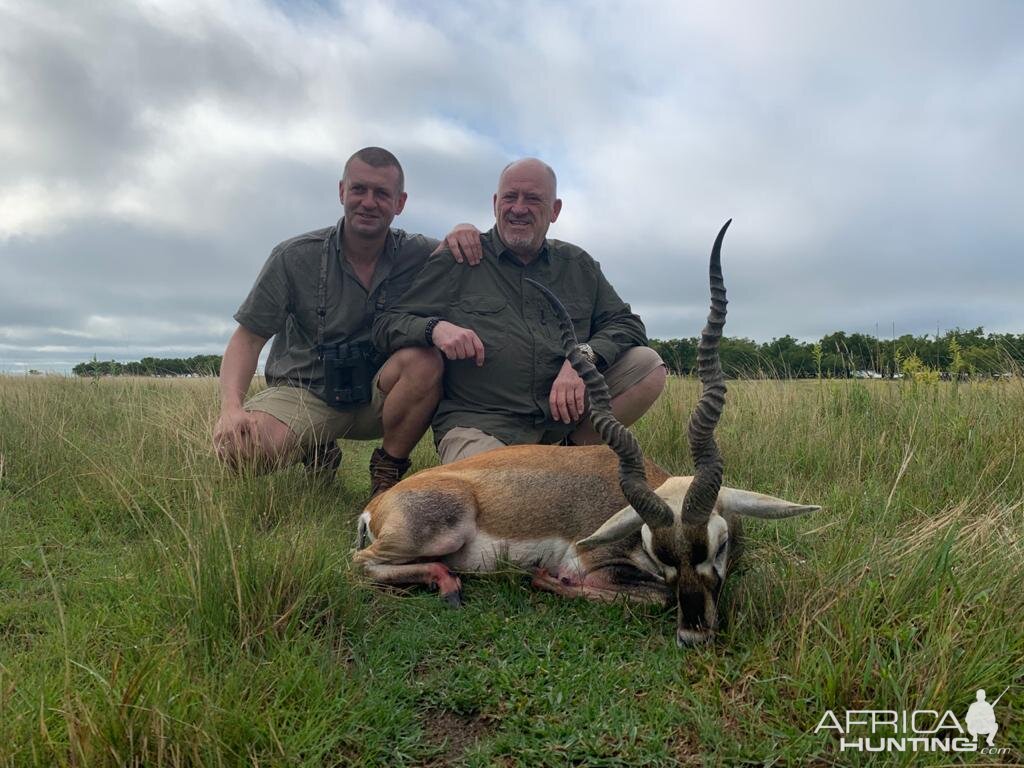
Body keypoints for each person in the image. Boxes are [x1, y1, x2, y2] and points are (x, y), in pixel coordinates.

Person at [213, 146, 481, 495]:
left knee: (425, 361)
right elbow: (247, 340)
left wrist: (463, 228)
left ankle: (387, 470)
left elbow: (460, 252)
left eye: (382, 194)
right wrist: (231, 408)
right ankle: (315, 447)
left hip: (377, 395)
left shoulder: (419, 253)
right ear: (342, 192)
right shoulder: (293, 256)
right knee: (238, 449)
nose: (368, 202)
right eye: (359, 189)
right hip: (304, 391)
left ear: (400, 203)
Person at [373, 157, 667, 463]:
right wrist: (435, 328)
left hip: (559, 418)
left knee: (647, 365)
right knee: (499, 498)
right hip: (482, 423)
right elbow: (389, 324)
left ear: (555, 210)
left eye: (533, 199)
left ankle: (571, 458)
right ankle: (537, 471)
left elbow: (627, 325)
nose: (518, 208)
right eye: (510, 197)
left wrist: (581, 358)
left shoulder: (578, 265)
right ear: (495, 203)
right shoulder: (459, 258)